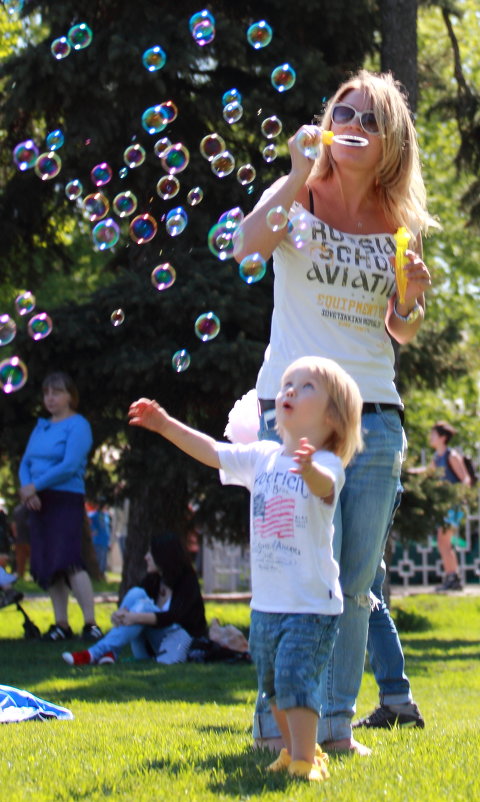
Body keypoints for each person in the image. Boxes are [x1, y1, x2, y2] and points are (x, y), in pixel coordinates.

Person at [234, 69, 435, 753]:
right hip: (290, 417)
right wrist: (295, 170)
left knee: (352, 584)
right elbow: (246, 245)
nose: (353, 122)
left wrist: (409, 300)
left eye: (370, 117)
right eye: (342, 110)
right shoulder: (299, 196)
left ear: (390, 141)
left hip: (374, 417)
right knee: (291, 573)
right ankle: (272, 726)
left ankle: (336, 728)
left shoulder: (397, 221)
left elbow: (399, 329)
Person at [128, 355, 364, 781]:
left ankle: (308, 760)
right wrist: (166, 426)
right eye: (288, 383)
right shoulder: (262, 456)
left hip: (311, 604)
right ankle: (291, 752)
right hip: (267, 604)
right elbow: (215, 451)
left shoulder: (327, 464)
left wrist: (308, 468)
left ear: (333, 417)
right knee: (272, 680)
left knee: (295, 674)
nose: (290, 390)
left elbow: (324, 488)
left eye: (306, 386)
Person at [18, 371, 102, 642]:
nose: (50, 398)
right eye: (46, 393)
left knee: (69, 560)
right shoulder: (41, 426)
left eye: (57, 392)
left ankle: (90, 623)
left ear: (70, 396)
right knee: (48, 563)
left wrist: (35, 486)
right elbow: (25, 463)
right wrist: (28, 489)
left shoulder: (78, 425)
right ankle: (61, 624)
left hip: (65, 499)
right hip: (39, 501)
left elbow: (70, 465)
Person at [62, 530, 207, 666]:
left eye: (151, 553)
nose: (146, 557)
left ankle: (93, 653)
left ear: (163, 555)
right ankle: (110, 652)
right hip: (150, 647)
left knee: (143, 607)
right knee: (136, 593)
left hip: (180, 646)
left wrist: (135, 617)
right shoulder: (154, 579)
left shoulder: (187, 580)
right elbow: (134, 601)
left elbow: (173, 616)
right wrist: (123, 613)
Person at [410, 421, 471, 592]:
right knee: (443, 542)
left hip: (454, 505)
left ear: (443, 437)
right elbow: (427, 471)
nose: (431, 437)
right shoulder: (437, 458)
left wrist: (456, 497)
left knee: (444, 541)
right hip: (445, 506)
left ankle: (453, 578)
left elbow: (465, 480)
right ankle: (452, 577)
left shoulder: (451, 456)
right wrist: (409, 472)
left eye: (433, 434)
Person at [87, 499, 112, 579]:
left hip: (104, 541)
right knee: (98, 559)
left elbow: (107, 527)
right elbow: (88, 523)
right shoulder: (93, 515)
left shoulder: (105, 516)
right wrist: (93, 530)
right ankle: (97, 574)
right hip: (97, 540)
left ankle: (102, 574)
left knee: (103, 559)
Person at [11, 503, 31, 580]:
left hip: (20, 540)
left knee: (20, 563)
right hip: (29, 539)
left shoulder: (17, 509)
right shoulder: (32, 507)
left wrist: (16, 535)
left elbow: (13, 525)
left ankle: (20, 579)